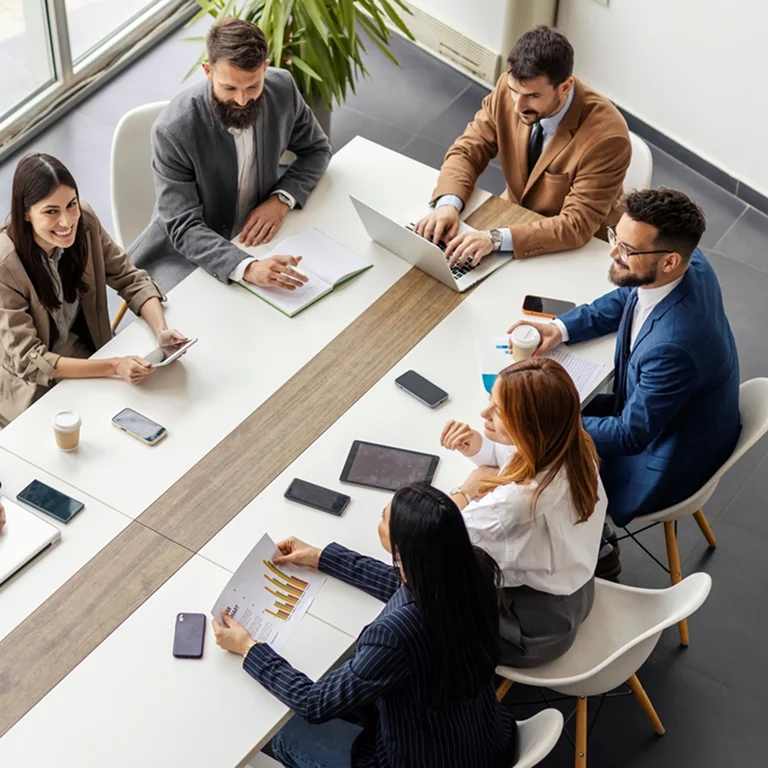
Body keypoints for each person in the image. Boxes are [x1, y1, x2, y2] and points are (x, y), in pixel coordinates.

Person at [511, 188, 741, 572]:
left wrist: (539, 426)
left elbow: (630, 435)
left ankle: (596, 546)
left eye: (627, 250)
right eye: (615, 237)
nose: (612, 252)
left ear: (670, 260)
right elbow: (630, 295)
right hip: (678, 415)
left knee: (535, 462)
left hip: (664, 459)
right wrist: (562, 328)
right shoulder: (686, 263)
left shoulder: (675, 346)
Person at [213, 484, 518, 768]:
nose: (379, 521)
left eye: (384, 519)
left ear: (401, 549)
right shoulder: (475, 572)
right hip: (486, 738)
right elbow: (400, 586)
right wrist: (322, 557)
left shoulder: (395, 636)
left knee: (280, 733)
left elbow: (314, 703)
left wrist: (249, 649)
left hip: (425, 759)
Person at [129, 17, 332, 291]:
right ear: (207, 71)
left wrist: (281, 199)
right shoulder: (173, 130)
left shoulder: (282, 88)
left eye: (253, 86)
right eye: (229, 88)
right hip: (186, 253)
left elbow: (316, 149)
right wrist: (247, 267)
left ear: (265, 68)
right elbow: (183, 226)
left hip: (259, 235)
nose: (242, 100)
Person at [415, 25, 630, 269]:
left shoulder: (607, 138)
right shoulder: (511, 90)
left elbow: (576, 225)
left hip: (574, 248)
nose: (518, 105)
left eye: (532, 96)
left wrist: (496, 239)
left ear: (565, 87)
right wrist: (447, 206)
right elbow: (468, 150)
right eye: (514, 90)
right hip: (513, 217)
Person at [441, 358, 606, 666]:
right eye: (490, 401)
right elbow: (511, 456)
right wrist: (477, 447)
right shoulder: (573, 445)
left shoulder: (516, 503)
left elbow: (436, 536)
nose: (483, 414)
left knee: (427, 596)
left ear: (529, 425)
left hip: (533, 633)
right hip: (576, 593)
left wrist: (462, 493)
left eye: (498, 412)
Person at [0, 153, 186, 426]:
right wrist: (113, 366)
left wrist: (161, 331)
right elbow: (31, 360)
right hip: (34, 389)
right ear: (26, 213)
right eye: (51, 211)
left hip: (87, 353)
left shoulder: (84, 221)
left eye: (71, 204)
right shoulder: (5, 266)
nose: (66, 222)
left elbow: (130, 278)